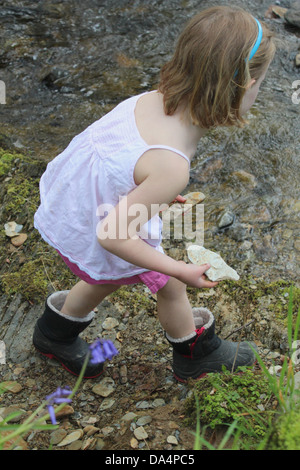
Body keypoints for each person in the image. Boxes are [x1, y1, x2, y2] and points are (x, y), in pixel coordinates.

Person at [33, 6, 276, 382]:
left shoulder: (152, 98)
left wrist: (150, 197)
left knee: (107, 276)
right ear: (243, 86)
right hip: (105, 220)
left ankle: (54, 333)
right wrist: (179, 267)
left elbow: (125, 161)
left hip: (83, 197)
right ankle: (195, 355)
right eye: (261, 81)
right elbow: (113, 235)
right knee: (171, 282)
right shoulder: (172, 166)